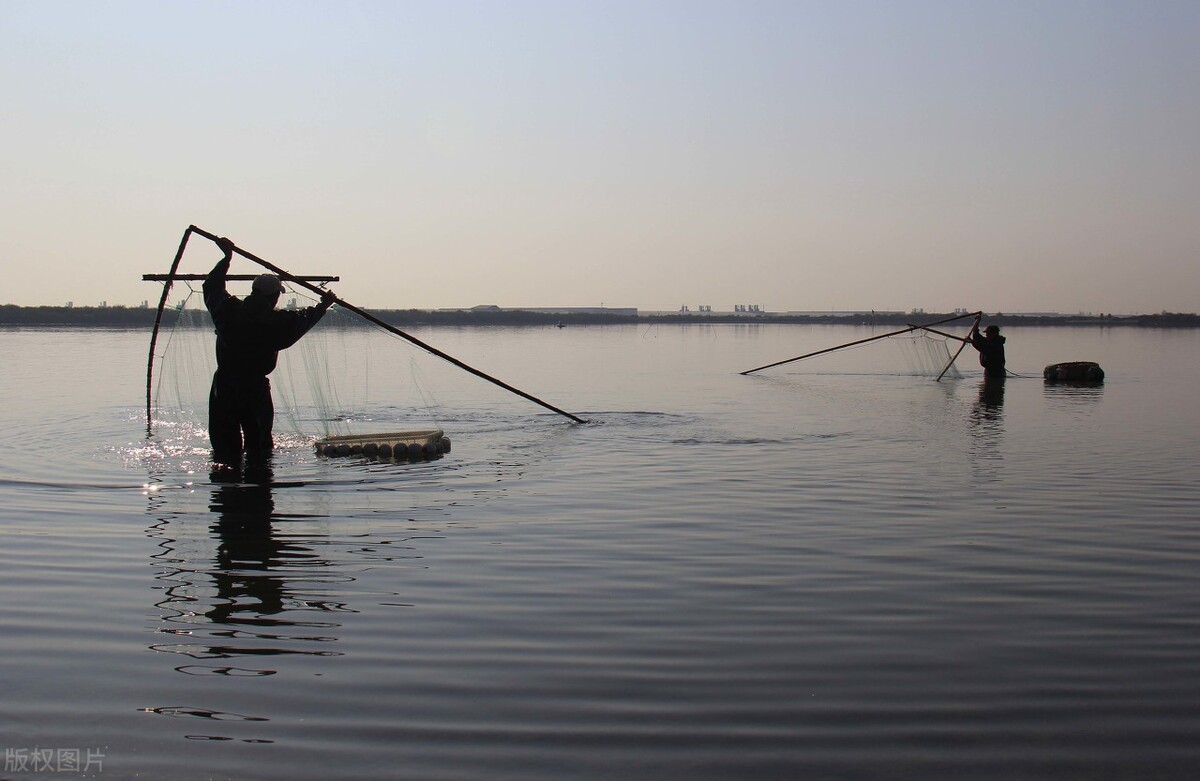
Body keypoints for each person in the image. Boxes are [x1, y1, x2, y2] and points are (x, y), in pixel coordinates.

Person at [203, 237, 335, 464]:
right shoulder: (276, 322)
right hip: (253, 389)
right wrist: (323, 305)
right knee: (259, 446)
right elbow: (303, 320)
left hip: (223, 387)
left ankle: (227, 491)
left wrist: (226, 258)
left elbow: (212, 287)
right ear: (273, 297)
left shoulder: (228, 310)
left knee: (224, 450)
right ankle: (258, 489)